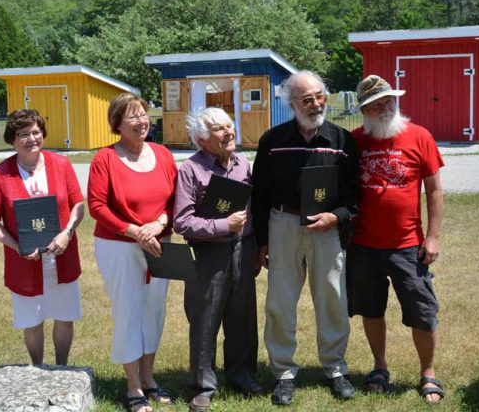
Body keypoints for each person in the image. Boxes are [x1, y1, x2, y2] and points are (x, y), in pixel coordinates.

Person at [251, 71, 360, 406]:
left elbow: (355, 197)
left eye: (319, 96)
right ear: (292, 104)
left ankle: (336, 368)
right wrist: (263, 240)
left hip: (326, 230)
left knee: (332, 298)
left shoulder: (343, 141)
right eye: (306, 99)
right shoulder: (273, 141)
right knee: (280, 303)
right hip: (283, 225)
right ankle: (283, 372)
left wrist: (336, 217)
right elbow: (260, 193)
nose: (315, 104)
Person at [348, 74, 445, 403]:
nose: (385, 107)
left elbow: (433, 190)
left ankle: (428, 373)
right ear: (365, 111)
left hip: (408, 245)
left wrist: (431, 237)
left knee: (422, 311)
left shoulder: (420, 137)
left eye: (388, 100)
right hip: (363, 245)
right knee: (371, 310)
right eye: (376, 105)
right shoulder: (354, 141)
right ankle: (379, 366)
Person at [87, 93, 178, 412]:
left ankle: (149, 377)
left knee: (155, 310)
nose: (141, 121)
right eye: (133, 117)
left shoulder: (164, 155)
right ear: (117, 125)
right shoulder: (105, 159)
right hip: (120, 246)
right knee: (129, 311)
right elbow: (96, 206)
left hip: (159, 244)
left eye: (143, 114)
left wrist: (161, 222)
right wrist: (135, 231)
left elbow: (174, 199)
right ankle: (133, 386)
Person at [173, 108, 261, 412]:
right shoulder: (191, 170)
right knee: (205, 320)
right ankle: (202, 386)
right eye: (218, 129)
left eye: (229, 126)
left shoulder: (243, 165)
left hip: (244, 249)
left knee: (243, 318)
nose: (228, 132)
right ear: (201, 139)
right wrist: (224, 225)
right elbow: (182, 222)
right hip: (208, 254)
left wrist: (257, 246)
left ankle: (242, 374)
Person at [0, 109, 85, 366]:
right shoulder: (1, 173)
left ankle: (62, 367)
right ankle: (37, 369)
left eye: (36, 132)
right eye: (23, 134)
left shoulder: (60, 164)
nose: (32, 139)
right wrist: (16, 247)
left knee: (64, 316)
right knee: (32, 320)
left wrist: (67, 232)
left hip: (62, 257)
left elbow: (78, 204)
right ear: (13, 139)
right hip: (25, 262)